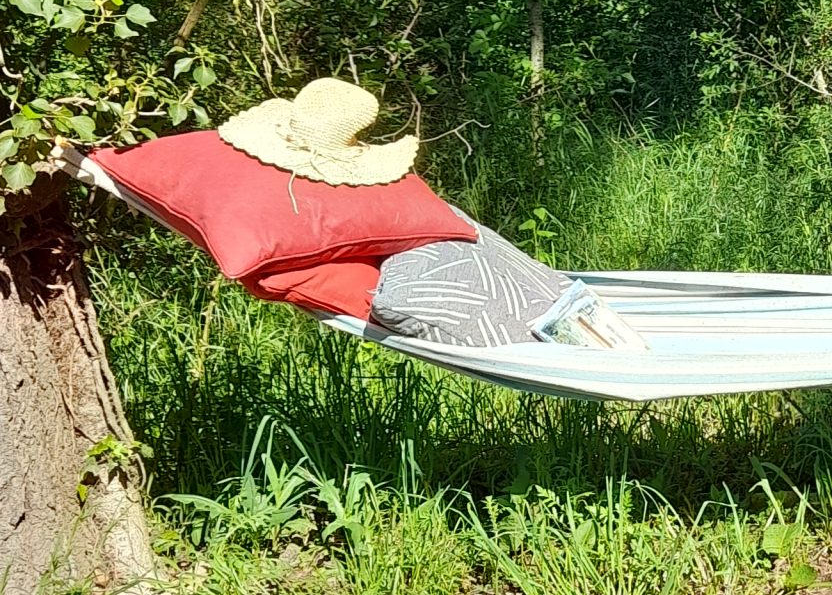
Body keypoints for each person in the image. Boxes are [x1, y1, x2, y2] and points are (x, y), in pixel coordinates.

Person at [55, 79, 644, 352]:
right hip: (512, 285)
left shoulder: (340, 205)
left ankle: (560, 311)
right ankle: (564, 310)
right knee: (457, 245)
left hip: (469, 267)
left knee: (458, 245)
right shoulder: (286, 206)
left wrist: (95, 163)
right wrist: (93, 166)